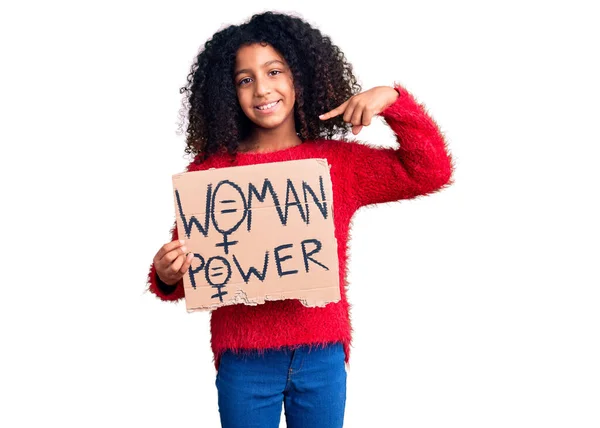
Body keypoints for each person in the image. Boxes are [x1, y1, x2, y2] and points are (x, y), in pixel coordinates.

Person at [147, 10, 453, 428]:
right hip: (244, 361)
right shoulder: (211, 174)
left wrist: (393, 102)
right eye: (245, 79)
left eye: (275, 71)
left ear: (300, 77)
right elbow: (192, 269)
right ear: (226, 93)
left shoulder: (337, 164)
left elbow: (429, 172)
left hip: (320, 355)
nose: (262, 89)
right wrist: (167, 274)